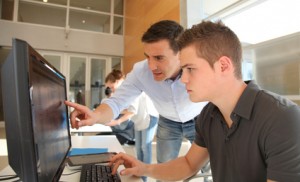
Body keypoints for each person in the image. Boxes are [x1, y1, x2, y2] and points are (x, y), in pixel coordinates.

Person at [108, 20, 300, 182]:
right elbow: (188, 164)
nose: (183, 79)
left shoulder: (282, 118)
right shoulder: (208, 115)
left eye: (190, 69)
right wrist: (143, 169)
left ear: (223, 66)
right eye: (183, 70)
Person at [65, 20, 207, 165]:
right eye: (147, 57)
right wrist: (96, 115)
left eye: (159, 58)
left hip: (200, 118)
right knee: (164, 165)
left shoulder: (198, 66)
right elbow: (117, 101)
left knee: (208, 164)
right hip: (168, 121)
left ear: (180, 53)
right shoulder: (140, 71)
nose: (151, 66)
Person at [103, 69, 135, 145]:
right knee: (97, 139)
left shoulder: (128, 92)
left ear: (117, 82)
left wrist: (117, 121)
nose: (111, 90)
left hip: (126, 133)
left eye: (111, 87)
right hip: (117, 130)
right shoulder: (117, 94)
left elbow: (132, 111)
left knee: (105, 142)